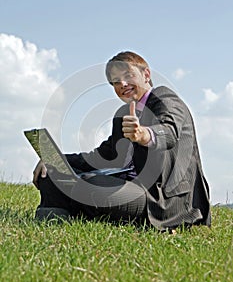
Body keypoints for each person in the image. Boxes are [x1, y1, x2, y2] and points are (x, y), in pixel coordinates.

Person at [33, 51, 211, 232]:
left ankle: (71, 207)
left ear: (146, 75)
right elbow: (103, 155)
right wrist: (55, 158)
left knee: (93, 184)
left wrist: (143, 134)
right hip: (126, 185)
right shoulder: (124, 114)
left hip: (160, 199)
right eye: (115, 82)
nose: (122, 84)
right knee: (52, 172)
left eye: (128, 76)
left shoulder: (165, 98)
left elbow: (169, 132)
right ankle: (54, 219)